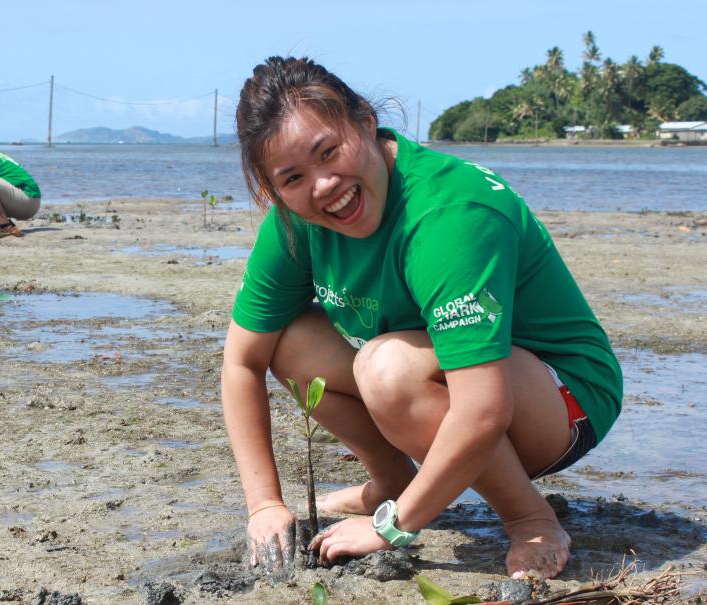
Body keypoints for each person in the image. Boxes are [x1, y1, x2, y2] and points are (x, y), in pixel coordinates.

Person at [223, 57, 622, 580]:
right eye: (293, 178)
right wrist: (264, 505)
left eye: (329, 152)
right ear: (275, 190)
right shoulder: (295, 226)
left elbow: (482, 407)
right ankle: (390, 480)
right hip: (452, 383)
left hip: (562, 399)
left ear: (365, 121)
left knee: (387, 369)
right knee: (289, 342)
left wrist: (391, 528)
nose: (323, 186)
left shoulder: (448, 213)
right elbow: (241, 364)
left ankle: (530, 517)